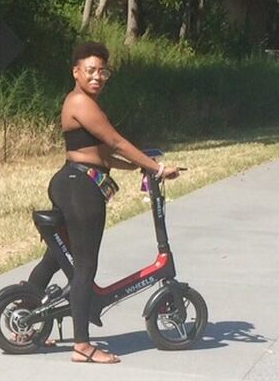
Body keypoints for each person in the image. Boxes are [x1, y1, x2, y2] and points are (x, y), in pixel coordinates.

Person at [24, 42, 179, 364]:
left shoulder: (85, 102)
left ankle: (27, 318)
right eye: (90, 70)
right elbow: (115, 141)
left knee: (57, 257)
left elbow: (104, 155)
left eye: (102, 71)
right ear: (76, 72)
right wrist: (157, 168)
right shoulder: (81, 101)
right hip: (80, 186)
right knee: (84, 265)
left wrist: (137, 165)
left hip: (75, 180)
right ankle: (82, 345)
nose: (98, 76)